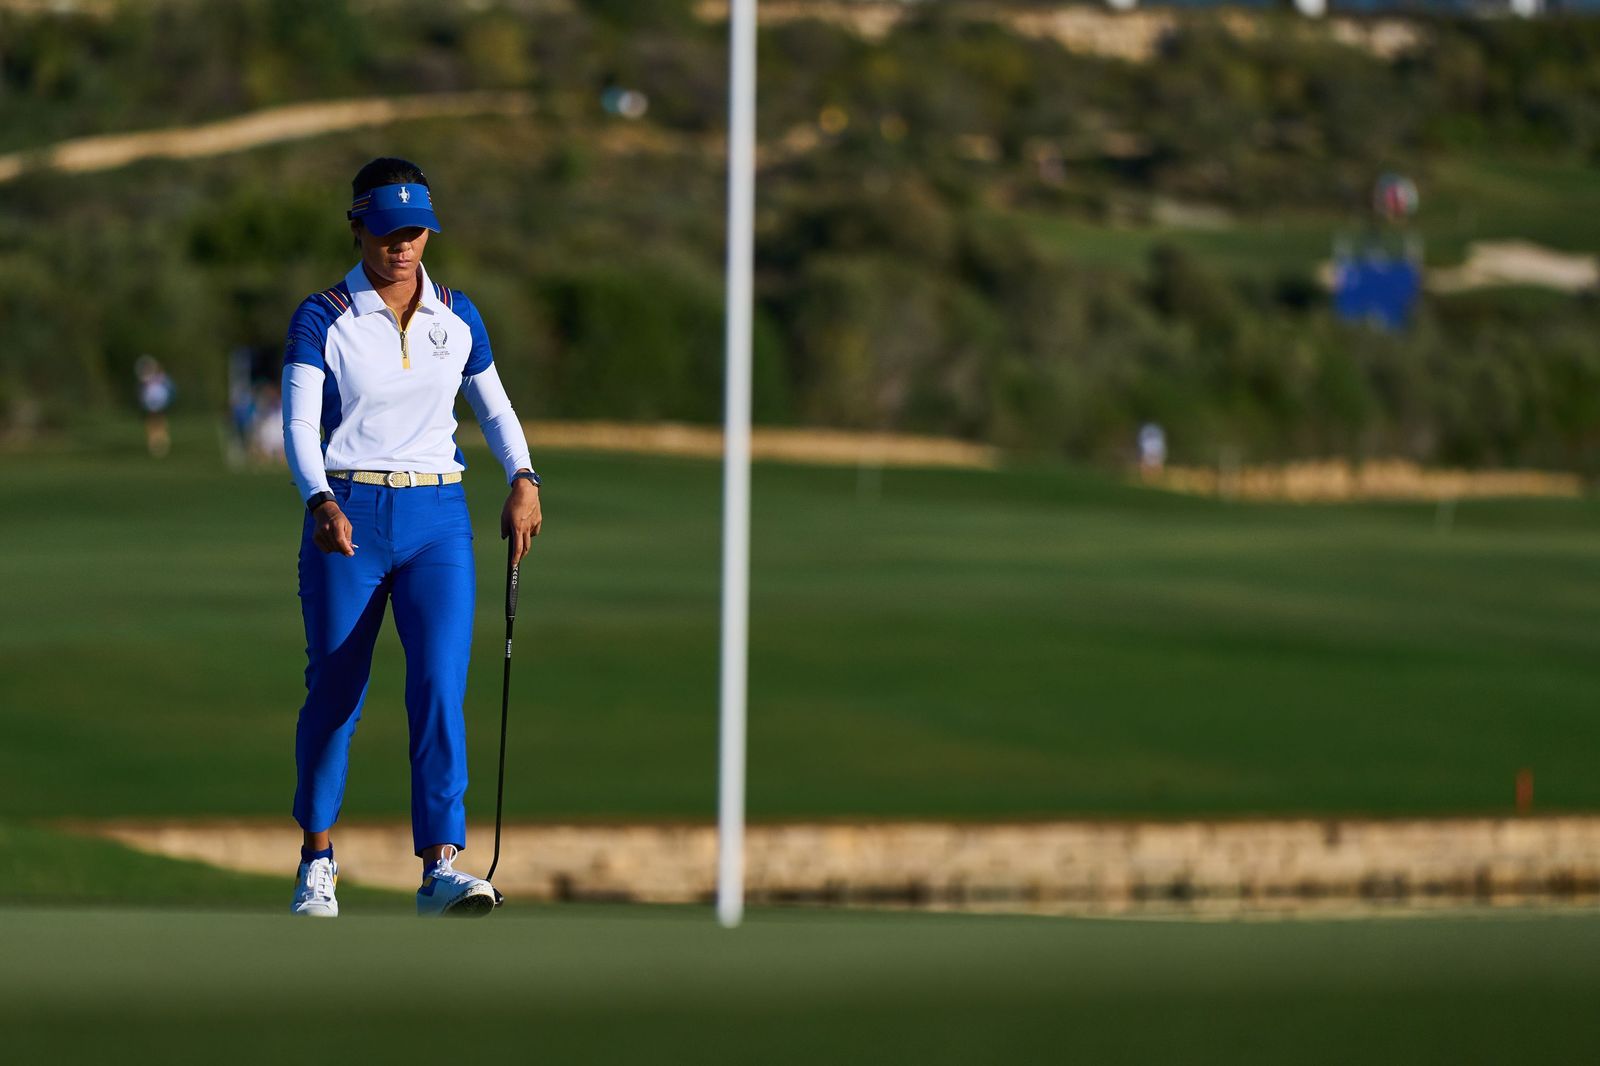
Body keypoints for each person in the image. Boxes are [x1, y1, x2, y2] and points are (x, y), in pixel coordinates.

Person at [281, 157, 542, 917]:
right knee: (335, 692)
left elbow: (494, 411)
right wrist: (320, 500)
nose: (403, 247)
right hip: (349, 516)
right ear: (359, 227)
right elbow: (298, 423)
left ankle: (439, 867)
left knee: (437, 685)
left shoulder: (457, 315)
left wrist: (524, 478)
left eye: (416, 232)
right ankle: (317, 860)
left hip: (438, 519)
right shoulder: (323, 315)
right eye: (389, 232)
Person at [135, 354, 175, 458]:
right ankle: (156, 442)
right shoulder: (149, 378)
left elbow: (169, 388)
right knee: (153, 420)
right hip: (152, 401)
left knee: (158, 420)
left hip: (159, 400)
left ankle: (160, 441)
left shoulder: (161, 378)